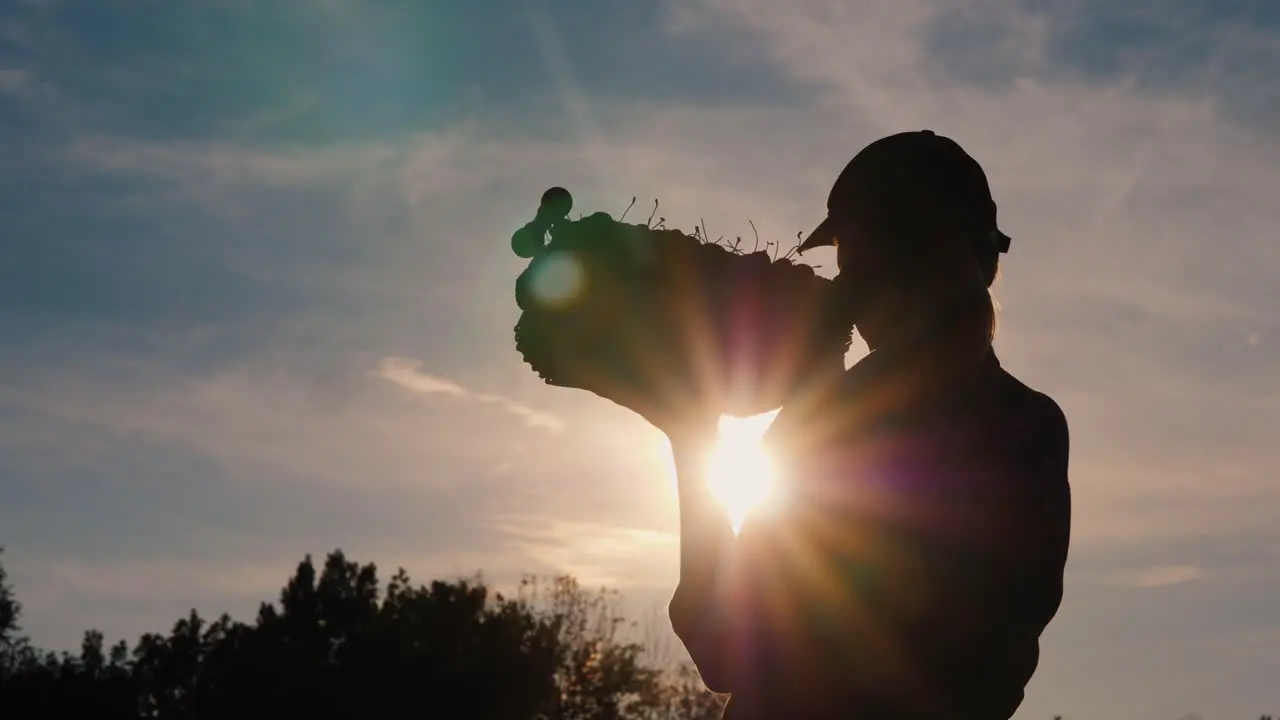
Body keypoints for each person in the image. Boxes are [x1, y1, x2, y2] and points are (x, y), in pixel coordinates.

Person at [660, 131, 1072, 718]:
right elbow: (725, 639)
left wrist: (690, 425)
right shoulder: (836, 412)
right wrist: (689, 427)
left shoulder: (1014, 430)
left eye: (863, 266)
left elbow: (732, 641)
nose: (848, 292)